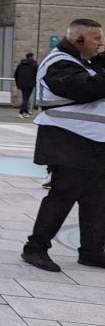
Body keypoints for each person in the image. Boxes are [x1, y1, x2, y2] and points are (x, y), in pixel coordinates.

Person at [21, 19, 105, 272]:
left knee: (97, 197)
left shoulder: (82, 62)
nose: (101, 43)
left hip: (89, 141)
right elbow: (87, 89)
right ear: (79, 39)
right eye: (97, 38)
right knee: (63, 195)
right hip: (67, 140)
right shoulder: (58, 63)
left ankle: (92, 250)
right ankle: (35, 248)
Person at [15, 52, 38, 118]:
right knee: (26, 98)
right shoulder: (34, 65)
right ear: (32, 57)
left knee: (25, 97)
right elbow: (37, 74)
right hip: (30, 84)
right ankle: (20, 112)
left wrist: (17, 83)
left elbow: (16, 74)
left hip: (21, 83)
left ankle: (26, 112)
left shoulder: (20, 64)